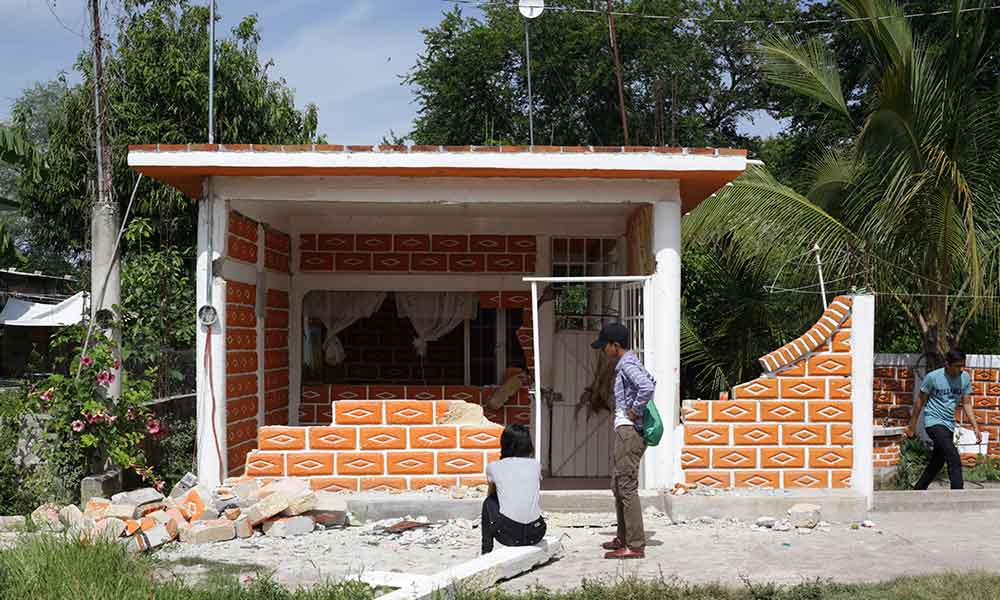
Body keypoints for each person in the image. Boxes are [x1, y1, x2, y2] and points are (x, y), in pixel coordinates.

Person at [592, 322, 655, 559]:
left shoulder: (627, 363)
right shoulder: (626, 363)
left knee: (626, 486)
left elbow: (647, 386)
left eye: (604, 346)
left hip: (630, 432)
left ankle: (635, 545)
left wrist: (635, 411)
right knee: (618, 485)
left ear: (614, 345)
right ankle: (623, 537)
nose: (602, 351)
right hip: (625, 431)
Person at [908, 350, 981, 490]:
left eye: (963, 365)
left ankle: (918, 489)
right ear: (947, 364)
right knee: (953, 456)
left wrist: (975, 427)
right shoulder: (933, 377)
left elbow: (966, 403)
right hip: (933, 422)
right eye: (958, 366)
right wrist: (912, 425)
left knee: (938, 461)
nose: (961, 369)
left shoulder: (964, 378)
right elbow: (920, 401)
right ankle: (958, 496)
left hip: (949, 424)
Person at [481, 424, 546, 554]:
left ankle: (486, 550)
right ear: (528, 444)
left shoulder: (493, 467)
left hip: (509, 536)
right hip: (536, 533)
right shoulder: (536, 465)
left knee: (489, 502)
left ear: (504, 443)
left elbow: (492, 494)